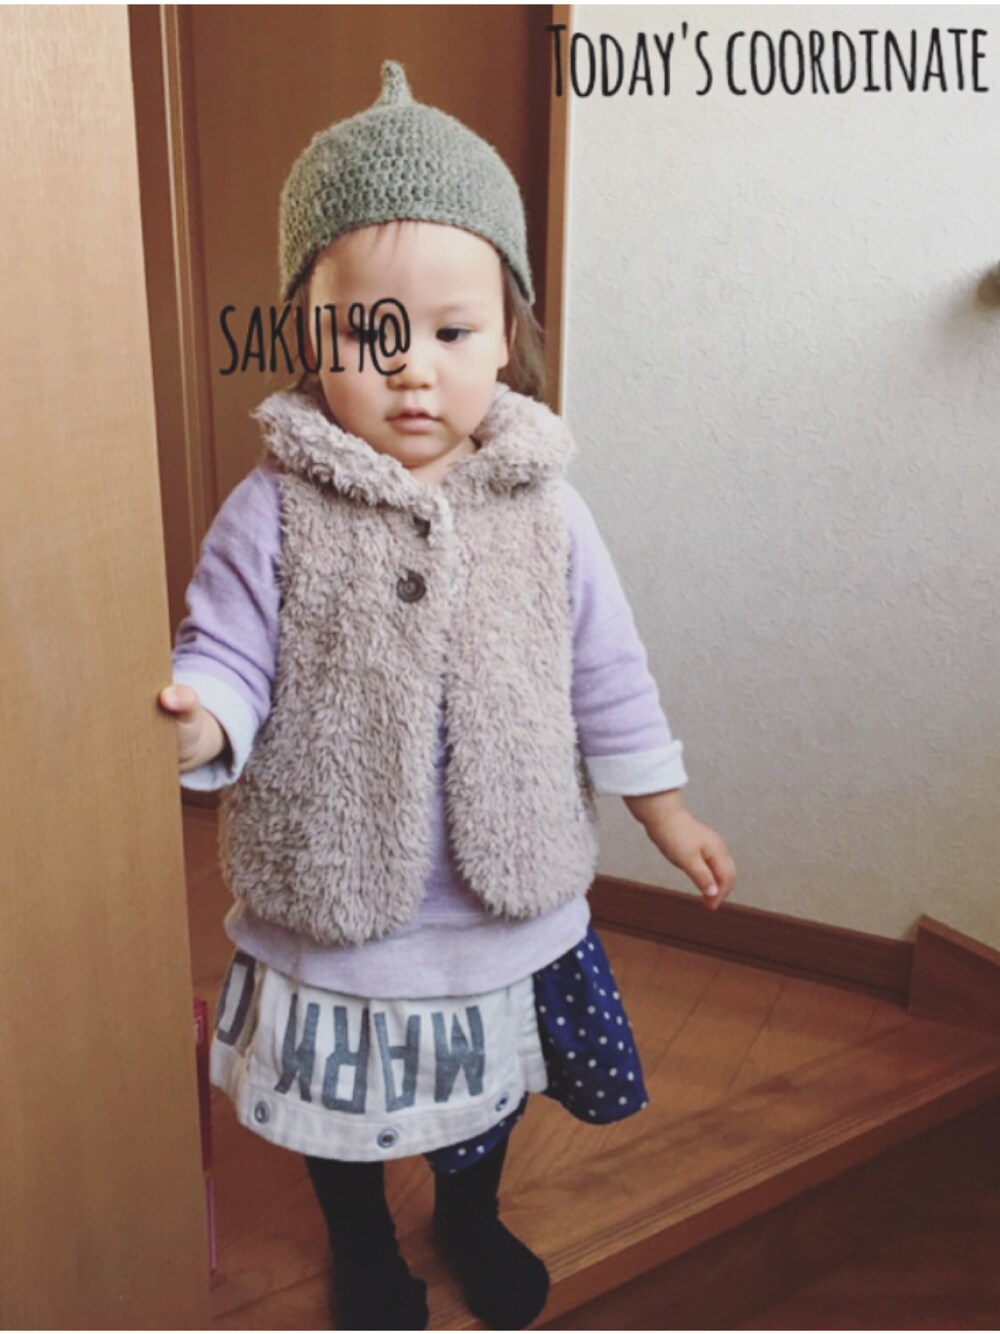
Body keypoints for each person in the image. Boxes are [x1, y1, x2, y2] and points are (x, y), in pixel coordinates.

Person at [159, 61, 735, 1332]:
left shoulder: (546, 508)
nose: (411, 371)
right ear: (309, 337)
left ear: (508, 337)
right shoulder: (273, 509)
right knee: (344, 1101)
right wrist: (202, 712)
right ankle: (363, 1239)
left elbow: (606, 669)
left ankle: (470, 1212)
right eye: (372, 333)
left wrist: (666, 809)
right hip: (339, 905)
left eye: (452, 334)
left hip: (497, 895)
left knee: (484, 1089)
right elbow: (229, 649)